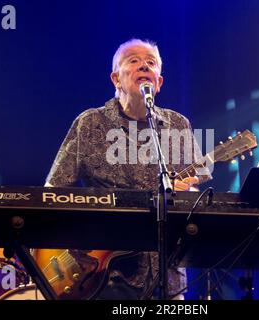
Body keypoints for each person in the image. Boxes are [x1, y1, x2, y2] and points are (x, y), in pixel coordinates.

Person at [43, 38, 212, 300]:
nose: (143, 65)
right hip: (104, 274)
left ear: (159, 82)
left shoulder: (178, 124)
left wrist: (185, 190)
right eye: (133, 60)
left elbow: (192, 189)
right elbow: (54, 191)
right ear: (116, 79)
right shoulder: (91, 122)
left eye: (151, 63)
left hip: (166, 272)